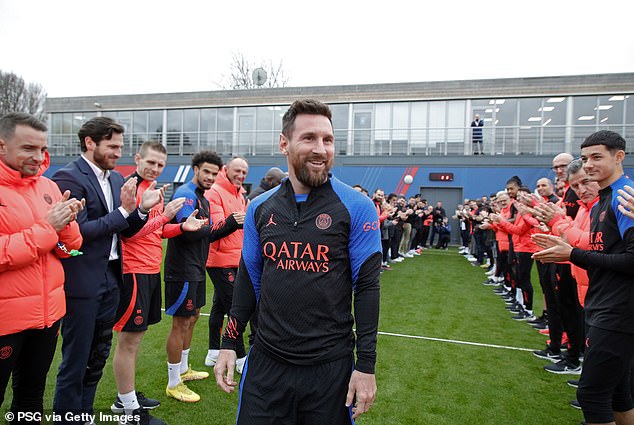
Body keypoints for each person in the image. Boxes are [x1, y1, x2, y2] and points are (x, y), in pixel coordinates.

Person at [214, 99, 382, 424]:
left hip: (330, 370)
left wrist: (366, 365)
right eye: (309, 138)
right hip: (266, 364)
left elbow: (367, 288)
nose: (321, 149)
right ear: (284, 143)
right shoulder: (260, 208)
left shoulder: (357, 207)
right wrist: (229, 342)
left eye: (328, 140)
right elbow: (249, 278)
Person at [52, 117, 162, 422]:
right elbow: (82, 231)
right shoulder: (69, 177)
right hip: (82, 282)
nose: (118, 152)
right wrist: (126, 210)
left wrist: (141, 210)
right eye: (112, 146)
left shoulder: (116, 180)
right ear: (90, 142)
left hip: (112, 277)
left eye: (120, 146)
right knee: (76, 360)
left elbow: (124, 230)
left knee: (97, 357)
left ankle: (83, 414)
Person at [533, 130, 634, 425]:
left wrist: (572, 254)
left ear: (619, 157)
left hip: (618, 310)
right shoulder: (604, 200)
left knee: (591, 395)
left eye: (596, 157)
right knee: (618, 394)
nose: (588, 164)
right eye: (586, 157)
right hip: (604, 303)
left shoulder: (623, 197)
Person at [111, 141, 205, 425]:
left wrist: (179, 226)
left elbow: (157, 232)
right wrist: (164, 217)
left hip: (151, 269)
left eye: (160, 165)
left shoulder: (154, 191)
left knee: (136, 339)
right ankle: (127, 409)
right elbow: (129, 234)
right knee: (129, 341)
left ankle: (124, 397)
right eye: (150, 162)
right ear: (137, 158)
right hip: (133, 270)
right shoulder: (129, 189)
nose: (154, 168)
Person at [0, 113, 83, 420]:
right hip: (5, 321)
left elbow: (68, 249)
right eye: (28, 149)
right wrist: (48, 227)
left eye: (42, 149)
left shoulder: (47, 185)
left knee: (31, 395)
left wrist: (68, 220)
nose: (38, 157)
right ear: (2, 146)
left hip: (47, 316)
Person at [163, 150, 239, 403]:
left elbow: (204, 234)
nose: (210, 177)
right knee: (180, 322)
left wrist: (227, 225)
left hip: (195, 266)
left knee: (193, 316)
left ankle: (184, 369)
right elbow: (189, 232)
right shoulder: (185, 194)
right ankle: (174, 382)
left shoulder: (202, 197)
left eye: (214, 173)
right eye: (206, 171)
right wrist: (226, 224)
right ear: (195, 169)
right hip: (182, 268)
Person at [204, 157, 248, 370]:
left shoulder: (240, 194)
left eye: (244, 172)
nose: (241, 175)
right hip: (219, 260)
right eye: (237, 170)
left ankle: (213, 351)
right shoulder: (214, 192)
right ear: (226, 170)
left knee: (220, 306)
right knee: (235, 308)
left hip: (236, 258)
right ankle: (240, 358)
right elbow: (214, 230)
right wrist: (235, 220)